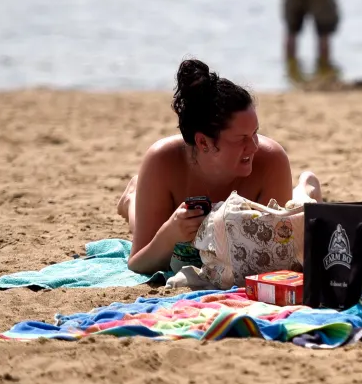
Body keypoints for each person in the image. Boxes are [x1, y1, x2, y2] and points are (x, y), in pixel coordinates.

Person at [117, 59, 322, 274]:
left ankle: (306, 187)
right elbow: (138, 263)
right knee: (148, 228)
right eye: (241, 138)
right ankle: (134, 197)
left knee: (299, 211)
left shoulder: (271, 160)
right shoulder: (162, 162)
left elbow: (279, 253)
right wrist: (169, 234)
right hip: (171, 217)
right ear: (203, 142)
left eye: (255, 133)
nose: (254, 146)